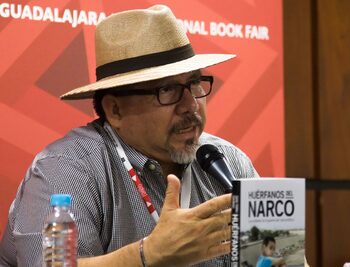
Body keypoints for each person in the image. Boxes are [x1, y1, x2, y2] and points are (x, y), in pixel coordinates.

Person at [0, 5, 258, 267]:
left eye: (194, 83)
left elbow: (283, 257)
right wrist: (149, 255)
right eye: (167, 89)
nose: (191, 105)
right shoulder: (67, 167)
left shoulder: (229, 163)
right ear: (115, 110)